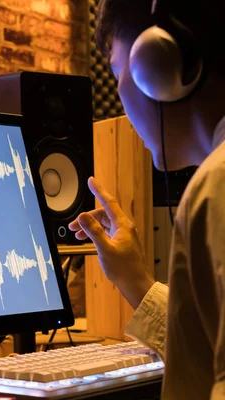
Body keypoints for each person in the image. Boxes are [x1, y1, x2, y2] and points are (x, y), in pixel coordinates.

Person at [67, 0, 225, 398]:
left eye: (120, 71)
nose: (121, 93)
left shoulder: (217, 184)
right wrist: (135, 280)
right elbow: (211, 350)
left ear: (159, 66)